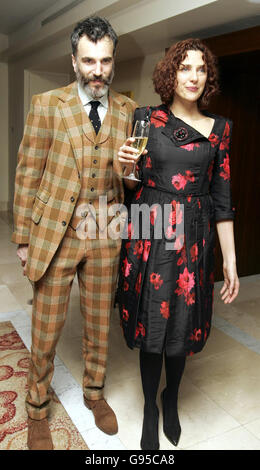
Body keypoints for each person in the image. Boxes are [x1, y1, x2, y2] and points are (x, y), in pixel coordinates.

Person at [12, 16, 136, 450]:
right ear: (74, 60)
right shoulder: (48, 105)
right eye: (88, 60)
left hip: (106, 227)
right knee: (46, 327)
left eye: (104, 60)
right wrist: (24, 240)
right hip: (57, 233)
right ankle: (37, 408)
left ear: (113, 61)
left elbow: (131, 178)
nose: (97, 69)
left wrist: (133, 171)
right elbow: (28, 173)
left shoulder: (127, 110)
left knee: (99, 320)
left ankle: (94, 393)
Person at [117, 38, 240, 450]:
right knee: (153, 324)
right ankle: (151, 409)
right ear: (171, 73)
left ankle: (171, 399)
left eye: (200, 68)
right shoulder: (146, 118)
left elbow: (222, 198)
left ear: (208, 77)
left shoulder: (220, 130)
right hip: (150, 235)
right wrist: (124, 169)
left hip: (195, 239)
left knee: (181, 326)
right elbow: (131, 183)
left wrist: (230, 261)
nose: (193, 76)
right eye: (184, 67)